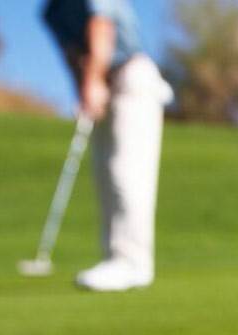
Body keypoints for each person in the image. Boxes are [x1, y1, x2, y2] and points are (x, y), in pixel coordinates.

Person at [41, 0, 174, 292]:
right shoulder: (51, 11)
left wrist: (93, 79)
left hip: (131, 78)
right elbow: (72, 54)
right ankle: (115, 258)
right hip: (102, 84)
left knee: (126, 172)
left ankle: (133, 263)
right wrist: (85, 88)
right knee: (104, 174)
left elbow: (102, 25)